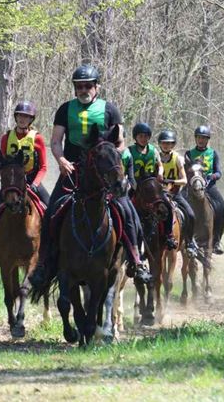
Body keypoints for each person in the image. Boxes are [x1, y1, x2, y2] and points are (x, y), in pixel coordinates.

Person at [29, 64, 150, 287]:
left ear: (97, 87)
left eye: (88, 86)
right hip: (73, 171)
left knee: (128, 212)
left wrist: (112, 161)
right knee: (51, 213)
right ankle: (44, 264)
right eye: (79, 86)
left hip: (104, 176)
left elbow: (121, 143)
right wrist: (62, 160)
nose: (83, 90)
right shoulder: (65, 109)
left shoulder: (110, 110)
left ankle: (137, 260)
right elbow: (56, 141)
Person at [0, 101, 49, 269]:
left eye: (26, 117)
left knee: (51, 210)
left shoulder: (38, 139)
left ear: (31, 119)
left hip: (32, 182)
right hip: (12, 184)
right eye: (20, 115)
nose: (22, 119)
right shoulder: (6, 138)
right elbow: (3, 164)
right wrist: (8, 183)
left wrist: (34, 184)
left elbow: (43, 167)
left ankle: (50, 253)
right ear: (15, 117)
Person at [128, 123, 177, 250]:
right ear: (135, 137)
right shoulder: (129, 151)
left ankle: (168, 236)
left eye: (146, 136)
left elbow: (160, 165)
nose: (143, 138)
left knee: (167, 206)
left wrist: (160, 173)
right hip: (136, 186)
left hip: (152, 187)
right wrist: (133, 185)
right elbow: (127, 169)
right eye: (140, 136)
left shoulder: (153, 150)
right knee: (125, 209)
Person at [185, 125, 224, 255]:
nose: (201, 140)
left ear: (207, 139)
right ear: (195, 138)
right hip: (192, 187)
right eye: (199, 138)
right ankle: (183, 239)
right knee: (180, 207)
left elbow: (219, 172)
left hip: (209, 187)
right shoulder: (189, 154)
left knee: (222, 209)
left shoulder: (213, 153)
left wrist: (212, 176)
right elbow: (184, 170)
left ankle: (217, 240)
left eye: (203, 138)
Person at [157, 130, 196, 256]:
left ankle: (190, 242)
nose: (166, 145)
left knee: (190, 214)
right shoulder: (155, 157)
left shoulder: (178, 159)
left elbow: (184, 180)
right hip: (159, 194)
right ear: (160, 144)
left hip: (174, 194)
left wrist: (172, 181)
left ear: (173, 145)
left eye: (169, 143)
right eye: (164, 143)